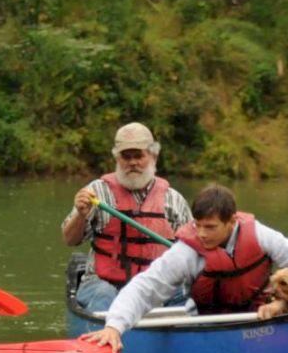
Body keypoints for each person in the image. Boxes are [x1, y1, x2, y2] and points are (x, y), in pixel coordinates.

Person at [81, 184, 288, 351]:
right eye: (197, 225)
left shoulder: (261, 236)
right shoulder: (187, 251)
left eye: (210, 227)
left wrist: (280, 304)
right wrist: (114, 326)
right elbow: (146, 287)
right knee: (169, 299)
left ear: (231, 222)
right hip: (206, 319)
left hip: (259, 313)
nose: (201, 234)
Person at [62, 122, 193, 312]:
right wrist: (80, 215)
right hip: (104, 282)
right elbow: (69, 239)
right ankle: (109, 334)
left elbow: (192, 250)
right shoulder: (96, 192)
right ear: (117, 158)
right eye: (126, 156)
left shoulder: (173, 200)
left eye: (139, 156)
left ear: (153, 156)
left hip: (154, 286)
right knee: (105, 297)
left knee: (192, 295)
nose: (132, 162)